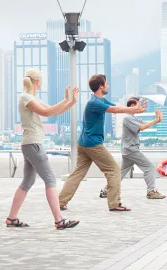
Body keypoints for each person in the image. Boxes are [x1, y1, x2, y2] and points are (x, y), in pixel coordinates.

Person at [5, 69, 80, 230]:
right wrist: (66, 99)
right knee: (50, 180)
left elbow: (51, 112)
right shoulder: (26, 98)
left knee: (28, 181)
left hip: (30, 144)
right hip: (33, 144)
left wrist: (70, 102)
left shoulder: (32, 98)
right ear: (38, 82)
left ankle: (11, 218)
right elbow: (46, 112)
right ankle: (59, 220)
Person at [58, 74, 144, 212]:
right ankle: (114, 204)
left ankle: (60, 202)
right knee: (114, 170)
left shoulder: (99, 100)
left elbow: (116, 107)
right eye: (107, 83)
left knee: (77, 173)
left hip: (84, 143)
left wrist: (133, 109)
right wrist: (134, 109)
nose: (108, 85)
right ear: (101, 86)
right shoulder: (94, 103)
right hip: (93, 144)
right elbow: (114, 110)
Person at [98, 99, 166, 200]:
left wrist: (156, 119)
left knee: (121, 172)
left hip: (128, 150)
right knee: (149, 166)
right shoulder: (128, 118)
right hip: (131, 150)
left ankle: (106, 190)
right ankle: (151, 191)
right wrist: (155, 120)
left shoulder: (133, 118)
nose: (141, 107)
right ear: (133, 106)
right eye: (138, 105)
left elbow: (145, 124)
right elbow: (142, 127)